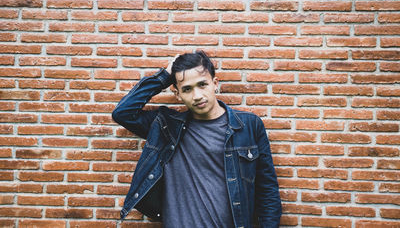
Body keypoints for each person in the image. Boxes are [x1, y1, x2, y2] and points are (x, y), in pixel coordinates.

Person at [112, 51, 282, 228]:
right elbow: (123, 113)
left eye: (202, 85)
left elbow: (267, 191)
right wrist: (164, 76)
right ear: (177, 94)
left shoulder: (248, 126)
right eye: (187, 89)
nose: (197, 96)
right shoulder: (167, 127)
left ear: (215, 84)